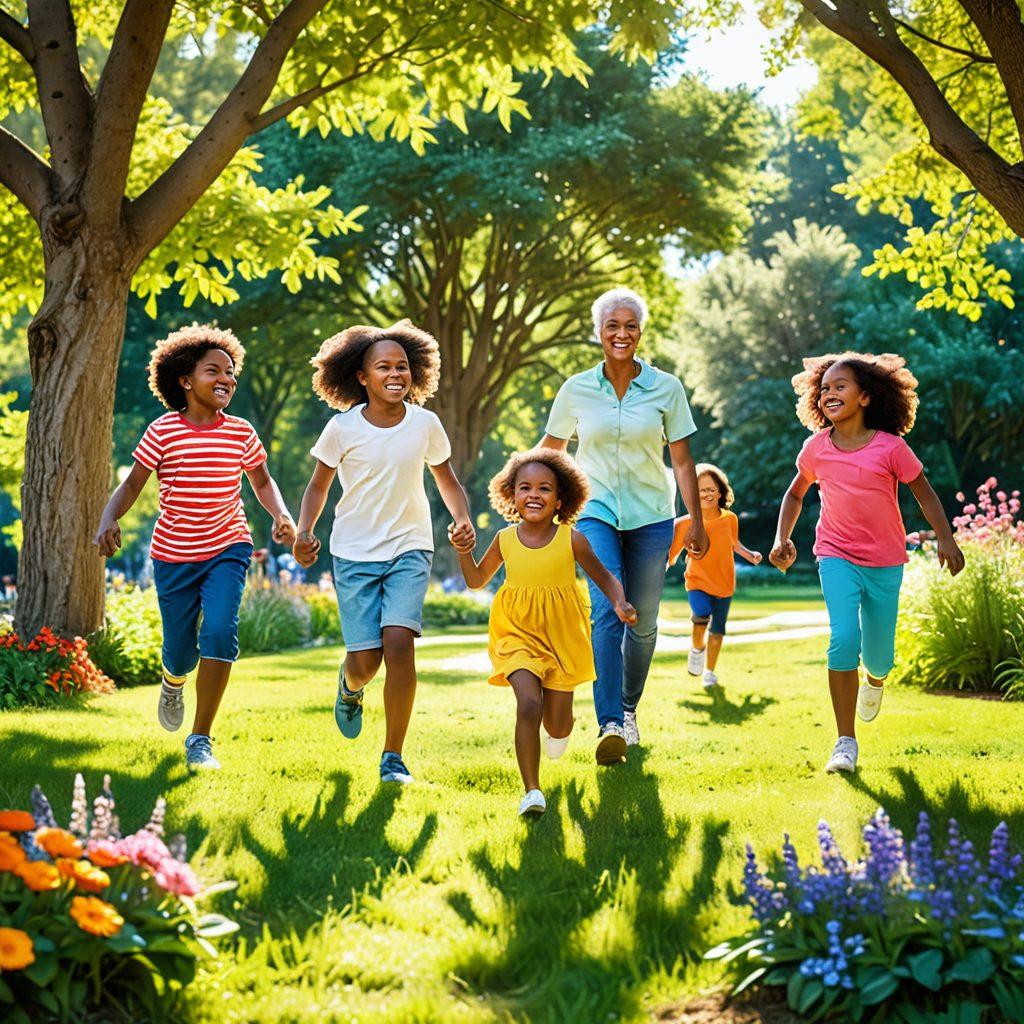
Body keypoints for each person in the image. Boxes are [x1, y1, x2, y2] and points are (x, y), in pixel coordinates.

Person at [94, 326, 296, 770]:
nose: (226, 379)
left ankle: (200, 738)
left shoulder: (240, 432)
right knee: (181, 651)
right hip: (174, 554)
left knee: (220, 631)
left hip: (228, 545)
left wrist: (282, 515)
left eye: (231, 373)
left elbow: (262, 481)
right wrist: (109, 518)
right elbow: (133, 484)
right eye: (214, 371)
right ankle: (173, 680)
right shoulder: (163, 430)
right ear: (185, 380)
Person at [292, 321, 474, 785]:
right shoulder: (342, 428)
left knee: (399, 644)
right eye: (384, 367)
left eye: (403, 366)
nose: (396, 374)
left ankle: (393, 755)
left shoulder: (425, 424)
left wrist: (462, 518)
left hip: (410, 546)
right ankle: (350, 686)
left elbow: (447, 480)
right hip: (353, 552)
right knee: (366, 662)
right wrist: (304, 530)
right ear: (362, 377)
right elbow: (318, 486)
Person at [769, 352, 965, 774]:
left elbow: (924, 493)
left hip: (885, 561)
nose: (830, 393)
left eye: (840, 386)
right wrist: (782, 537)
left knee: (879, 658)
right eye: (824, 388)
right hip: (835, 553)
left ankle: (875, 679)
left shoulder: (891, 447)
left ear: (865, 397)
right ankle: (845, 742)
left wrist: (946, 539)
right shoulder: (816, 448)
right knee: (843, 637)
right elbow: (795, 494)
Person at [539, 286, 708, 763]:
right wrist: (522, 495)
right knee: (609, 609)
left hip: (652, 514)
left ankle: (628, 707)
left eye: (630, 325)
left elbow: (682, 460)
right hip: (594, 510)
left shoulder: (665, 388)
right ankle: (610, 722)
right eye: (612, 325)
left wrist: (696, 522)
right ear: (598, 332)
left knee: (645, 620)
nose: (621, 333)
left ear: (640, 332)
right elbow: (552, 449)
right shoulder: (576, 389)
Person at [450, 448, 636, 816]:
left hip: (561, 637)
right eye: (525, 487)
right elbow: (475, 579)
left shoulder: (572, 539)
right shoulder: (504, 539)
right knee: (529, 704)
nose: (534, 494)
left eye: (544, 489)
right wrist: (462, 551)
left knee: (557, 722)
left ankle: (560, 728)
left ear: (560, 500)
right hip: (516, 633)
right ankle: (531, 791)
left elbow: (605, 578)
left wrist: (620, 602)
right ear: (512, 495)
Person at [668, 463, 761, 689]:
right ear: (692, 493)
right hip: (697, 581)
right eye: (701, 490)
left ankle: (709, 672)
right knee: (701, 614)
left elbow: (734, 543)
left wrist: (750, 555)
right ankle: (697, 648)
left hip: (724, 583)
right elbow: (670, 557)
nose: (707, 494)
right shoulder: (685, 523)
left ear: (720, 492)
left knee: (718, 632)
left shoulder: (730, 518)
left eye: (711, 489)